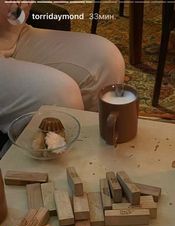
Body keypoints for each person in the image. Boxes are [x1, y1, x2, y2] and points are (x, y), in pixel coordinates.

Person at [0, 1, 125, 134]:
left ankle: (96, 144)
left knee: (105, 60)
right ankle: (32, 151)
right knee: (60, 96)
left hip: (11, 32)